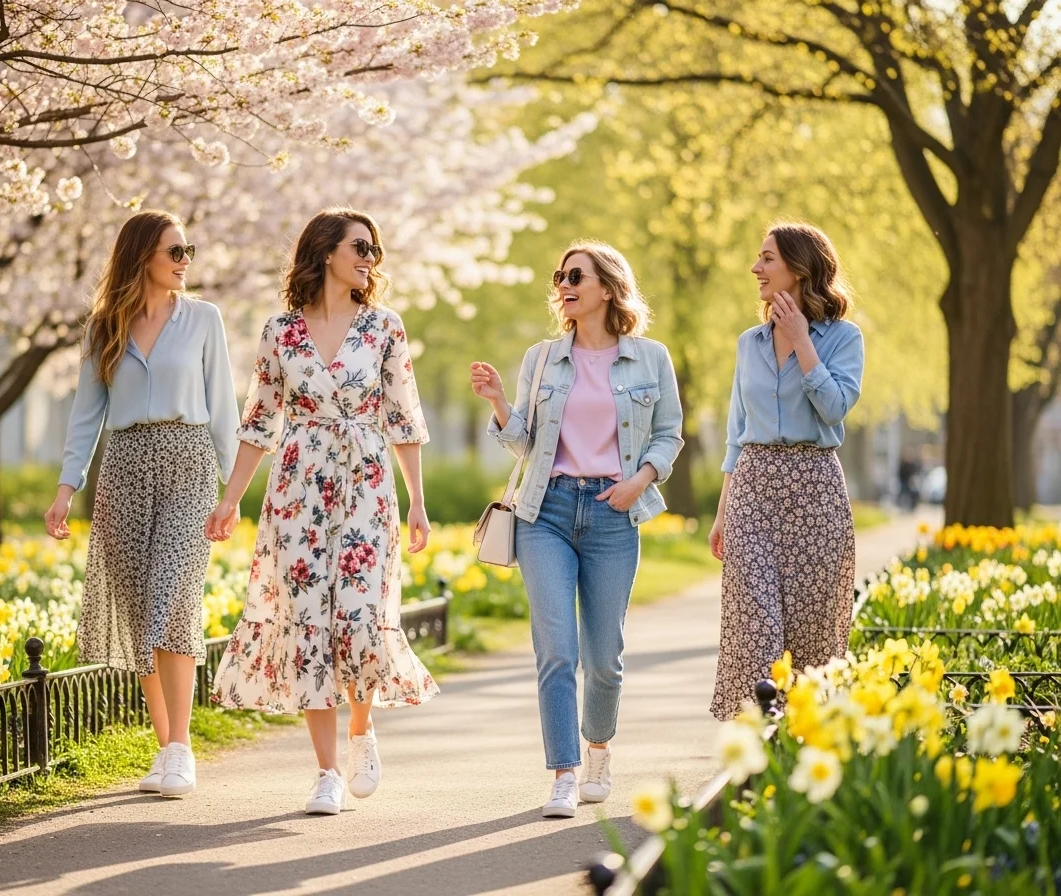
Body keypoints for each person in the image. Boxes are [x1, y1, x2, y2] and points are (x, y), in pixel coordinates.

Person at [207, 207, 438, 816]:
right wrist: (232, 497)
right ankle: (326, 772)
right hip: (298, 486)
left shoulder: (385, 327)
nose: (370, 257)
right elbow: (258, 421)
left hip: (366, 480)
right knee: (309, 621)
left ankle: (362, 730)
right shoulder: (280, 331)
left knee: (359, 617)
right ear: (326, 251)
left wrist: (417, 500)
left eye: (375, 249)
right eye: (359, 246)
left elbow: (402, 417)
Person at [471, 240, 683, 818]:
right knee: (556, 649)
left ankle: (597, 749)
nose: (564, 284)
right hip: (549, 512)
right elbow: (523, 442)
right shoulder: (541, 358)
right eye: (559, 276)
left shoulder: (650, 358)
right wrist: (496, 404)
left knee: (605, 655)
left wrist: (640, 480)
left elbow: (669, 435)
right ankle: (563, 772)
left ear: (609, 289)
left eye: (576, 276)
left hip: (616, 512)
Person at [45, 210, 239, 798]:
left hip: (188, 465)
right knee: (138, 614)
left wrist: (234, 493)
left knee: (168, 599)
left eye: (188, 251)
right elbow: (86, 414)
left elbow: (225, 409)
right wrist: (65, 487)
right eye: (175, 252)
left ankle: (181, 748)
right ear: (142, 258)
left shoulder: (205, 319)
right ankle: (166, 748)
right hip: (124, 469)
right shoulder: (104, 326)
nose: (185, 262)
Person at [708, 221, 864, 720]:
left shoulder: (844, 338)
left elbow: (835, 407)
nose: (756, 268)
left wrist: (802, 341)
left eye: (767, 258)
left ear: (800, 268)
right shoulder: (747, 343)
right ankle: (754, 739)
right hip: (753, 487)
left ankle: (800, 744)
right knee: (756, 625)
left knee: (810, 633)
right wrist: (721, 513)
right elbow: (736, 432)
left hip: (814, 488)